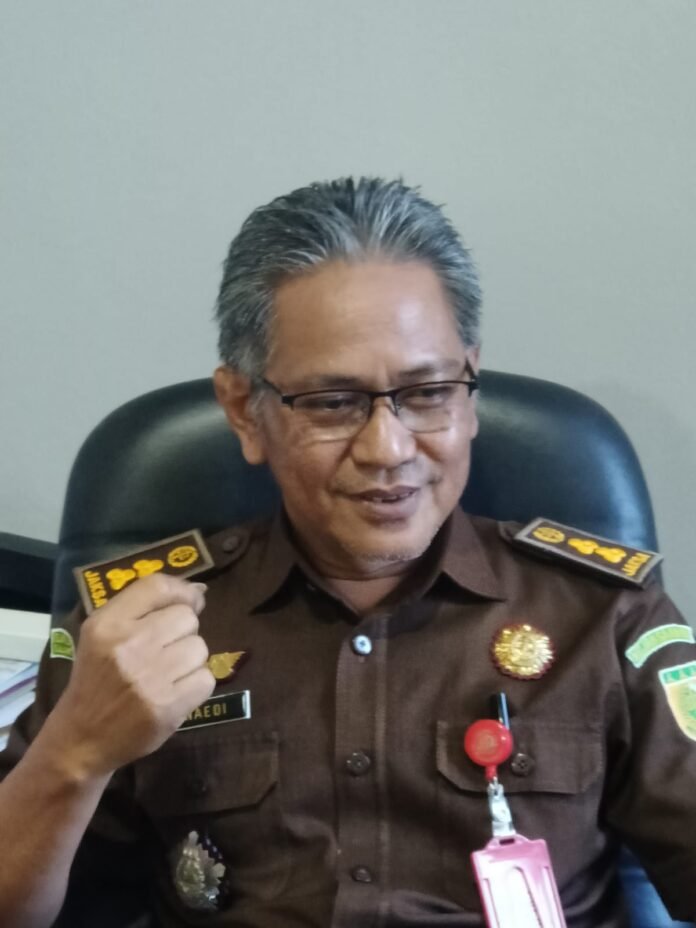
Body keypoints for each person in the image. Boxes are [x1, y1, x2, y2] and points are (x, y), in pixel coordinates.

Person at [1, 177, 696, 928]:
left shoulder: (605, 616)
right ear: (245, 411)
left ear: (470, 388)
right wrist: (74, 753)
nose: (388, 449)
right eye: (333, 403)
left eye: (428, 393)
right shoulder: (132, 630)